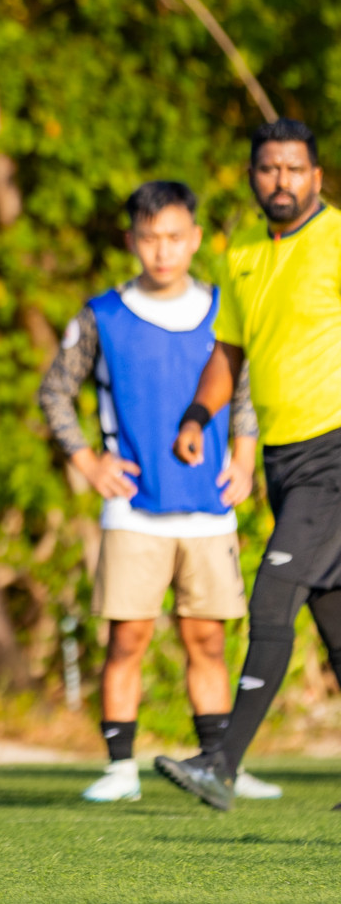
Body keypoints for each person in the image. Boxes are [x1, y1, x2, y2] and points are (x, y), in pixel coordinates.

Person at [38, 180, 280, 803]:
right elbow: (54, 391)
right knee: (129, 638)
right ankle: (121, 767)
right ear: (131, 241)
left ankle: (220, 763)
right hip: (133, 509)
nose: (163, 250)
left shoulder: (225, 309)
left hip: (209, 507)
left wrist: (246, 460)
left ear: (196, 239)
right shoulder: (103, 314)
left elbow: (246, 392)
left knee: (208, 639)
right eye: (149, 238)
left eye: (174, 237)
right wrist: (90, 464)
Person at [156, 119, 341, 810]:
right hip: (285, 460)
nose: (282, 181)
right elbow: (227, 353)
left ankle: (222, 763)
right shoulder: (243, 257)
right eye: (269, 169)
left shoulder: (337, 240)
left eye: (295, 169)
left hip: (335, 454)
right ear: (253, 177)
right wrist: (198, 417)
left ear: (317, 177)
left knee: (273, 596)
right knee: (334, 621)